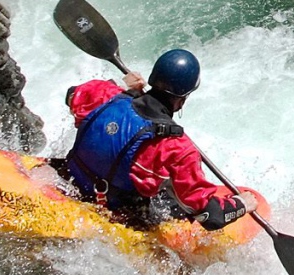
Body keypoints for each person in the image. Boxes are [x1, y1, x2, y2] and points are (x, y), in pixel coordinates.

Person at [60, 49, 254, 230]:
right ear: (183, 99)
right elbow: (210, 217)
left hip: (67, 181)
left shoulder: (105, 95)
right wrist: (242, 204)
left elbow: (71, 94)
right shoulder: (178, 147)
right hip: (113, 211)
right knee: (170, 195)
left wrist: (126, 90)